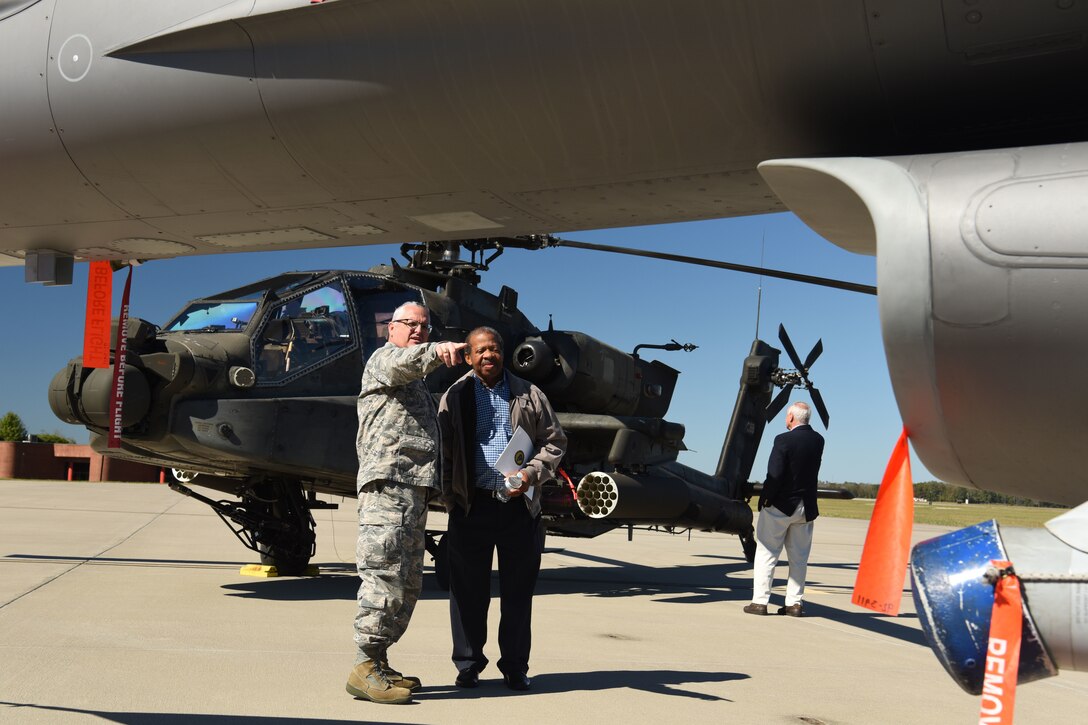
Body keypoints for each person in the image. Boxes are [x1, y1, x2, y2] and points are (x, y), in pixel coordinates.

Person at [346, 301, 466, 705]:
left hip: (411, 490)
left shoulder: (416, 386)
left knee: (406, 581)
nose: (417, 329)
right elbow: (407, 362)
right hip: (388, 487)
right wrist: (437, 350)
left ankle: (377, 659)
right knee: (384, 575)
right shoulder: (384, 361)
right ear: (390, 329)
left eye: (424, 326)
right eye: (408, 323)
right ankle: (363, 667)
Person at [438, 326, 566, 692]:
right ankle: (468, 664)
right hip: (471, 505)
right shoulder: (456, 395)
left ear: (502, 351)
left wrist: (531, 474)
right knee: (466, 592)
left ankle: (514, 666)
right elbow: (445, 453)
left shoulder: (529, 393)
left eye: (493, 349)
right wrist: (452, 499)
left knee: (518, 592)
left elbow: (554, 441)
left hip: (518, 509)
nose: (487, 356)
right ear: (468, 356)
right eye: (479, 351)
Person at [744, 401, 825, 618]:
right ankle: (794, 604)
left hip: (781, 506)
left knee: (767, 553)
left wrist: (765, 499)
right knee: (799, 558)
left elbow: (775, 474)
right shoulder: (818, 440)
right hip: (805, 507)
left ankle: (760, 602)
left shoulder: (783, 440)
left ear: (791, 418)